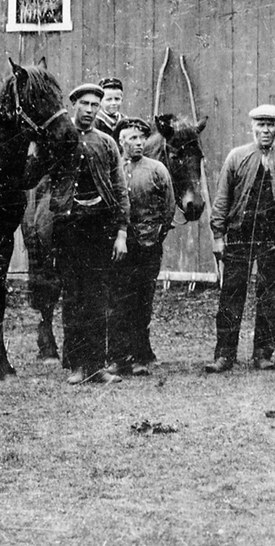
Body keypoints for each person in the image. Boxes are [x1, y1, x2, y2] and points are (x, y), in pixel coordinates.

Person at [206, 104, 275, 373]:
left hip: (274, 238)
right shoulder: (236, 157)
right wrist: (218, 235)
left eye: (271, 125)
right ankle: (224, 355)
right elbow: (221, 201)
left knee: (268, 297)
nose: (266, 130)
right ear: (252, 126)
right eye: (261, 125)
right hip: (239, 236)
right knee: (231, 295)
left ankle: (263, 353)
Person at [47, 83, 130, 385]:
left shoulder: (107, 143)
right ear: (74, 106)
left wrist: (121, 232)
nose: (90, 110)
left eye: (96, 105)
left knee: (98, 296)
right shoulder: (59, 140)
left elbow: (120, 190)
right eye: (85, 104)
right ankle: (76, 365)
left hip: (100, 227)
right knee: (73, 295)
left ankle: (97, 365)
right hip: (68, 227)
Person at [106, 117, 175, 376]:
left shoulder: (157, 170)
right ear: (120, 141)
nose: (137, 143)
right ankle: (117, 357)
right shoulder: (113, 169)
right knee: (117, 300)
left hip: (148, 246)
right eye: (131, 138)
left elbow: (168, 208)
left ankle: (138, 356)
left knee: (142, 301)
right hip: (119, 245)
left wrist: (156, 234)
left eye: (140, 138)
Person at [93, 78, 126, 142]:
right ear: (100, 101)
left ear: (122, 100)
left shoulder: (124, 120)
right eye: (109, 99)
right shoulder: (95, 121)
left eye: (117, 99)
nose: (113, 103)